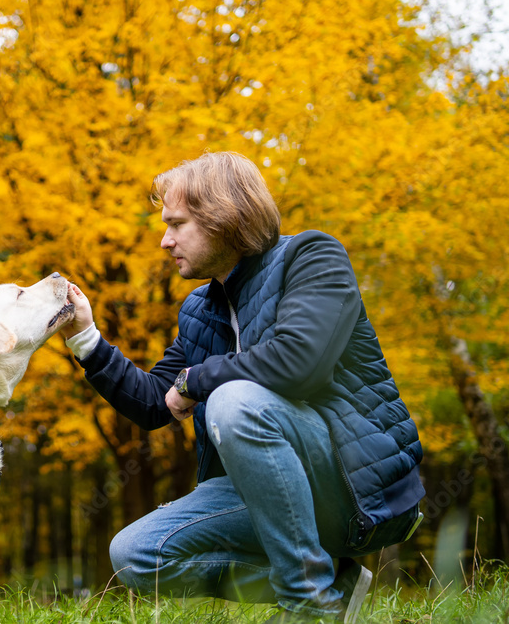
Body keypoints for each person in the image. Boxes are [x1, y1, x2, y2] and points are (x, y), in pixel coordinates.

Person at [60, 151, 424, 623]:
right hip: (267, 489)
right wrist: (86, 340)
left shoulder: (312, 257)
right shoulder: (198, 309)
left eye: (176, 224)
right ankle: (335, 580)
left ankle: (309, 606)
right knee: (136, 554)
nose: (165, 241)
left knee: (233, 402)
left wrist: (197, 381)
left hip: (357, 488)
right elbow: (155, 403)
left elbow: (298, 363)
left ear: (222, 217)